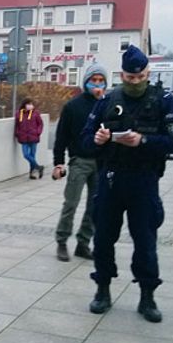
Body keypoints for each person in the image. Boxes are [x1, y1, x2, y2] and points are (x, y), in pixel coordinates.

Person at [82, 45, 173, 323]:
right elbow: (84, 140)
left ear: (147, 74)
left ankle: (147, 296)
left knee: (145, 242)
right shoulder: (107, 100)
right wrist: (98, 139)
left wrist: (144, 140)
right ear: (123, 75)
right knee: (103, 238)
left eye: (140, 78)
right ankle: (102, 290)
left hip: (144, 180)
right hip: (111, 179)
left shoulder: (164, 100)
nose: (135, 83)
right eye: (130, 78)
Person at [53, 64, 109, 261]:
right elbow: (61, 137)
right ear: (85, 81)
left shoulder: (108, 104)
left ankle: (83, 243)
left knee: (95, 206)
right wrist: (58, 163)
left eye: (100, 80)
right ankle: (61, 241)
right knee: (71, 203)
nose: (97, 84)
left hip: (101, 162)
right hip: (79, 161)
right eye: (93, 80)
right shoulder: (72, 106)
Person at [14, 97, 45, 179]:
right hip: (23, 137)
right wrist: (17, 134)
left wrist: (38, 132)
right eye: (29, 104)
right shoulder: (18, 114)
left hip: (33, 137)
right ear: (24, 105)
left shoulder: (35, 113)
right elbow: (17, 125)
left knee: (32, 155)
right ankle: (39, 167)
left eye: (31, 104)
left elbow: (40, 124)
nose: (31, 106)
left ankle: (31, 173)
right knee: (26, 155)